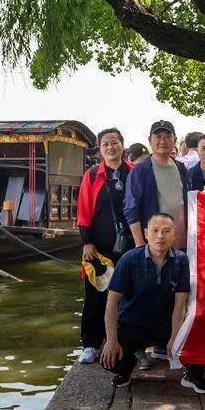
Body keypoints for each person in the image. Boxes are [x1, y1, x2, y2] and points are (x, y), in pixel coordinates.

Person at [100, 213, 205, 394]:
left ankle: (193, 374)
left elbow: (180, 304)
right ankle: (126, 367)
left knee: (198, 330)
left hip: (164, 324)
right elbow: (112, 302)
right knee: (109, 359)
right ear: (146, 233)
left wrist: (175, 336)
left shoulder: (181, 260)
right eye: (155, 230)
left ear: (174, 234)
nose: (160, 236)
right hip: (132, 324)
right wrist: (111, 340)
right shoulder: (129, 259)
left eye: (166, 231)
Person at [76, 128, 133, 364]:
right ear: (100, 149)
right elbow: (83, 210)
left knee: (129, 293)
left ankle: (127, 341)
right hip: (99, 247)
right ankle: (90, 343)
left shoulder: (134, 172)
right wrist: (86, 241)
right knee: (96, 294)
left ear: (122, 144)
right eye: (106, 144)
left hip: (130, 245)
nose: (111, 147)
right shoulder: (92, 175)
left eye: (115, 142)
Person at [124, 121, 191, 251]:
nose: (162, 141)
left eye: (167, 137)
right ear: (150, 140)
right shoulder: (140, 171)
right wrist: (139, 242)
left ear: (175, 140)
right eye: (158, 137)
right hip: (155, 244)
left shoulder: (181, 168)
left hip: (182, 242)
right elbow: (131, 208)